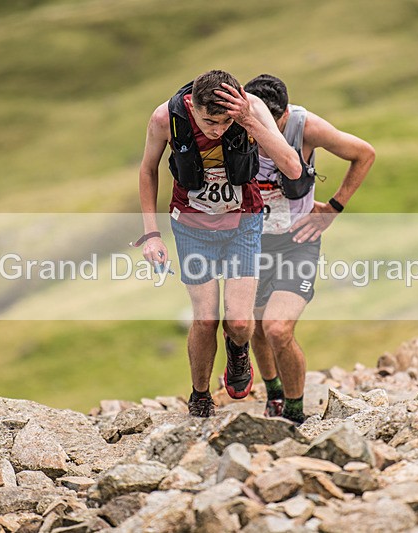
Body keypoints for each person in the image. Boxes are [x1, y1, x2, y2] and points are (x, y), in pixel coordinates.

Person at [137, 70, 301, 418]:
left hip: (243, 222)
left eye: (225, 122)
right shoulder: (165, 118)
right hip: (192, 226)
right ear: (192, 106)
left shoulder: (250, 109)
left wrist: (248, 121)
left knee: (239, 323)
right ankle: (200, 396)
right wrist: (151, 233)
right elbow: (148, 170)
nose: (218, 130)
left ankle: (237, 351)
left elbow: (292, 168)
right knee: (205, 318)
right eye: (209, 121)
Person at [243, 74, 376, 424]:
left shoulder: (305, 126)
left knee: (277, 329)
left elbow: (364, 154)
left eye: (271, 124)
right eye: (256, 123)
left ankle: (294, 413)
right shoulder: (237, 123)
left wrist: (333, 208)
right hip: (250, 243)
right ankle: (272, 394)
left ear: (284, 114)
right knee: (254, 327)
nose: (262, 132)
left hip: (296, 243)